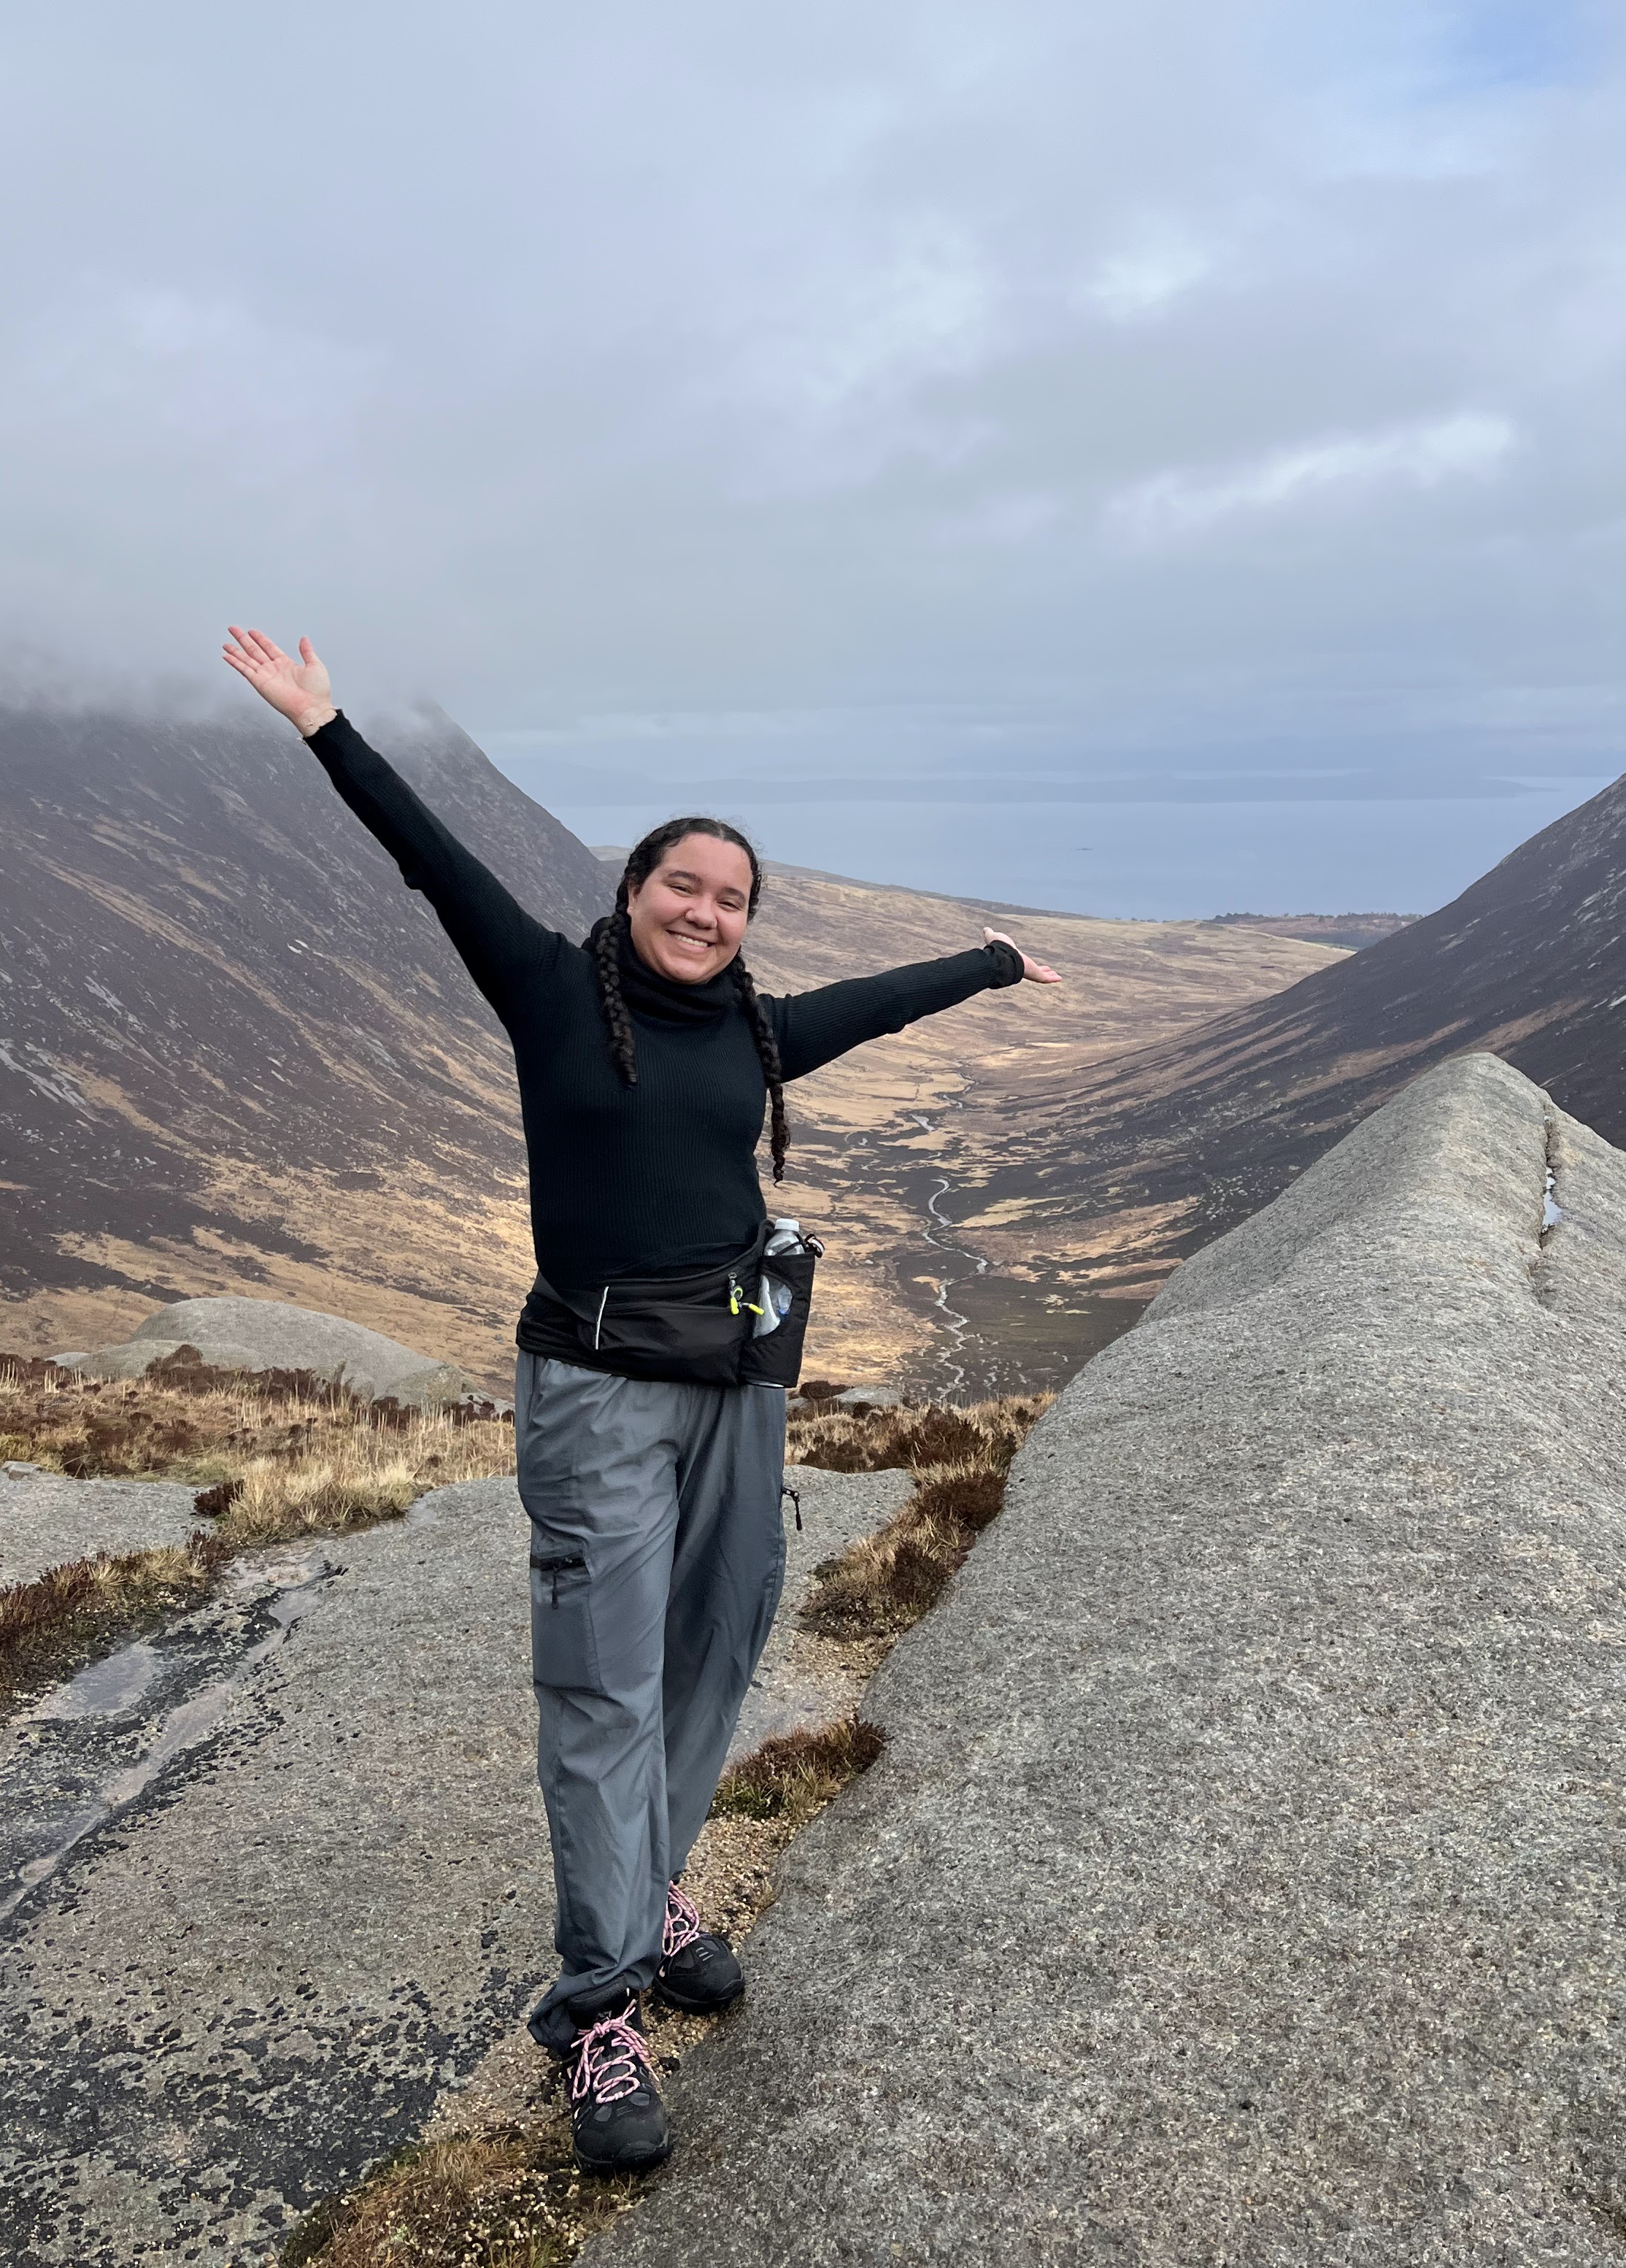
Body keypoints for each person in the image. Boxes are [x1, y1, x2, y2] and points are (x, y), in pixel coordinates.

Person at [220, 626, 1060, 2170]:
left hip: (737, 1384)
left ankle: (653, 1890)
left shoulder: (752, 1027)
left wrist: (993, 961)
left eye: (734, 899)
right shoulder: (546, 989)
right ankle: (600, 2009)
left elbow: (871, 1007)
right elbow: (430, 862)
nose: (707, 912)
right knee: (604, 1689)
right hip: (599, 1393)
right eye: (686, 885)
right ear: (632, 891)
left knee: (721, 1638)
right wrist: (326, 724)